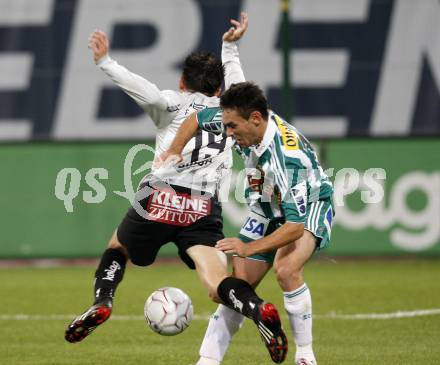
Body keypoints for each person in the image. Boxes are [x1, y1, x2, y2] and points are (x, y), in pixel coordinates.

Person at [64, 15, 288, 364]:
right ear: (219, 90)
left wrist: (105, 61)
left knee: (118, 247)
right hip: (202, 207)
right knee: (216, 284)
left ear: (183, 81)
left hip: (160, 195)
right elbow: (238, 78)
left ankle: (103, 300)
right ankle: (258, 309)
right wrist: (231, 45)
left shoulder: (170, 103)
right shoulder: (231, 112)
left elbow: (141, 88)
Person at [161, 82, 334, 365]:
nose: (228, 134)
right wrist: (174, 151)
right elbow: (194, 119)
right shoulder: (237, 120)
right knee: (234, 290)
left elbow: (294, 227)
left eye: (232, 127)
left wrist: (249, 247)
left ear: (255, 118)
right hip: (267, 204)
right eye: (225, 126)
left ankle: (305, 357)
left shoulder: (286, 159)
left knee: (287, 269)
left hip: (311, 203)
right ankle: (207, 361)